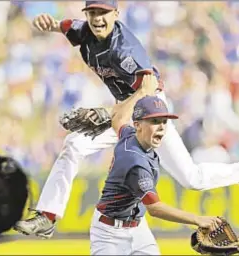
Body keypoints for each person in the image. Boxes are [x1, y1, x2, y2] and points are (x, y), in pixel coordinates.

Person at [14, 0, 239, 239]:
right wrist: (49, 24)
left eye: (104, 12)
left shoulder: (125, 48)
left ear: (116, 14)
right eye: (92, 12)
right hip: (125, 108)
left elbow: (150, 86)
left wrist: (114, 113)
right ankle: (47, 217)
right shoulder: (83, 30)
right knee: (73, 144)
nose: (98, 18)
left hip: (150, 108)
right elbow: (66, 25)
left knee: (192, 178)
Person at [91, 80, 223, 255]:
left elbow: (118, 118)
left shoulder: (130, 135)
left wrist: (142, 91)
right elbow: (155, 208)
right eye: (154, 120)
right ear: (137, 124)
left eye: (164, 121)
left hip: (137, 227)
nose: (161, 126)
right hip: (109, 234)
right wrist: (198, 219)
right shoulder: (134, 161)